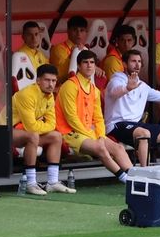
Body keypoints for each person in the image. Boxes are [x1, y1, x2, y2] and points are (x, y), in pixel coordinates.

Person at [104, 48, 160, 169]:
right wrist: (127, 88)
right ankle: (145, 172)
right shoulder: (116, 80)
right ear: (124, 64)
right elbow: (114, 92)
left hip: (135, 126)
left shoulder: (142, 86)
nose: (137, 64)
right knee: (144, 133)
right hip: (116, 125)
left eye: (139, 61)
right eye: (133, 61)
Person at [58, 50, 133, 180]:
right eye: (85, 62)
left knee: (118, 148)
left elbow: (98, 118)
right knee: (100, 148)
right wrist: (93, 136)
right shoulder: (70, 85)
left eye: (92, 62)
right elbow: (71, 118)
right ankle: (126, 180)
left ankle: (136, 178)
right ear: (78, 65)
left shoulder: (94, 90)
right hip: (70, 132)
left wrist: (101, 136)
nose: (89, 65)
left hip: (89, 133)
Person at [11, 63, 73, 194]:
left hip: (25, 133)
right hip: (5, 131)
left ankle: (52, 182)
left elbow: (52, 124)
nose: (51, 84)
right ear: (38, 80)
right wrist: (41, 126)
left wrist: (40, 126)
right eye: (47, 80)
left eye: (54, 81)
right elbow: (31, 127)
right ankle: (30, 183)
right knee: (33, 135)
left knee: (56, 136)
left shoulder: (49, 96)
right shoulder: (27, 94)